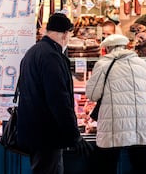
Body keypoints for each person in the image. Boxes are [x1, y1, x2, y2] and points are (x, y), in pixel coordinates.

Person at [17, 13, 93, 174]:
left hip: (34, 129)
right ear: (65, 34)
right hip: (47, 132)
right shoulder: (51, 56)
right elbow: (59, 100)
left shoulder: (34, 51)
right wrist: (74, 135)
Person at [86, 34, 146, 174]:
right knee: (140, 165)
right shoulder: (142, 63)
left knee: (107, 164)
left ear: (108, 48)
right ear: (126, 46)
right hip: (141, 122)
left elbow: (92, 95)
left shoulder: (103, 64)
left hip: (115, 122)